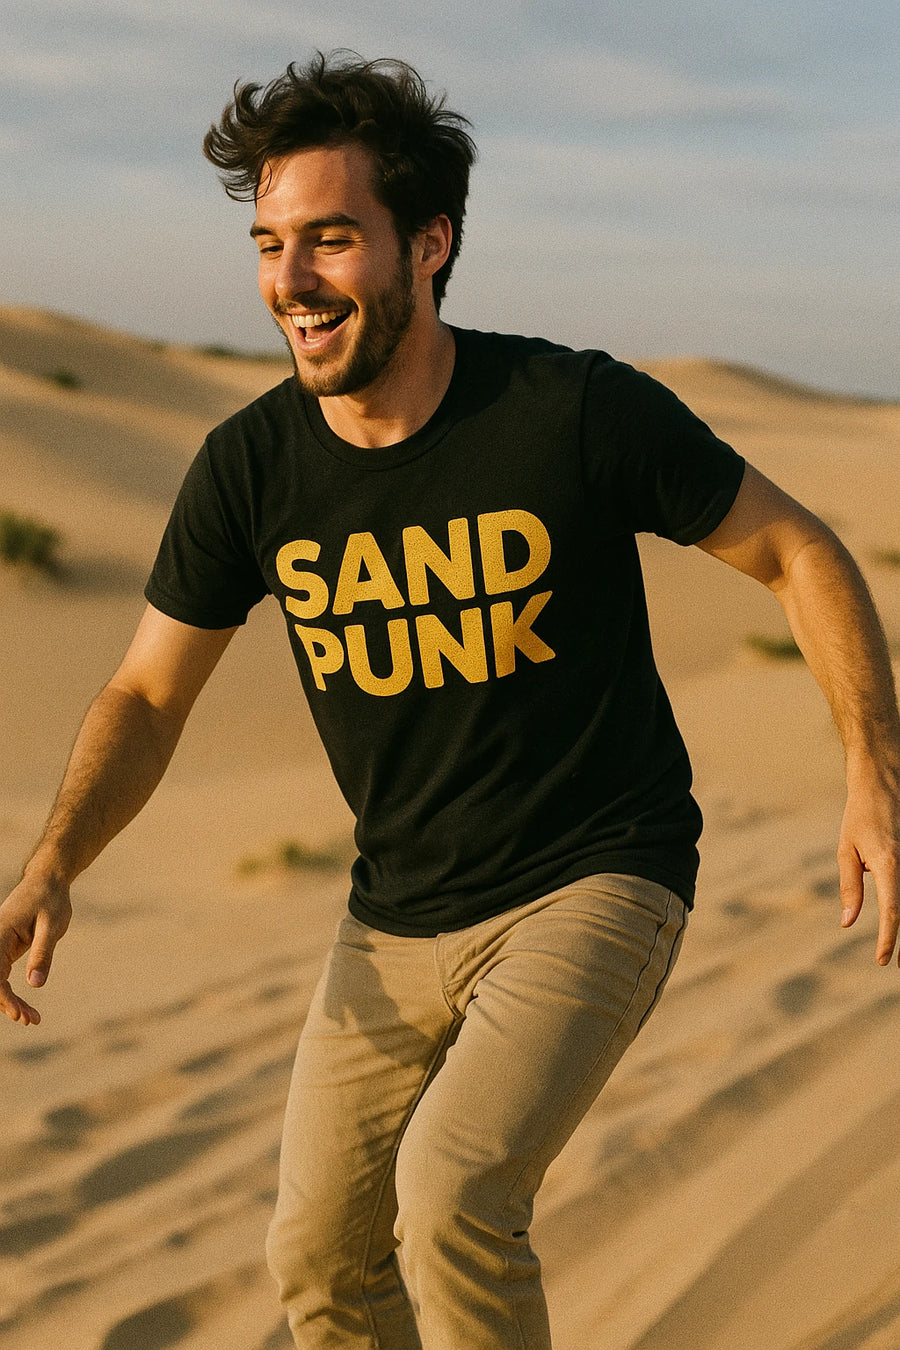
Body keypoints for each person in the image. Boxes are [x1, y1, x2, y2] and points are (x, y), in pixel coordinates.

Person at [1, 51, 898, 1350]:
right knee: (316, 1254)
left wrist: (871, 762)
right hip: (398, 908)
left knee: (457, 1191)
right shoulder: (248, 469)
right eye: (268, 244)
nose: (290, 283)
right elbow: (146, 692)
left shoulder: (567, 412)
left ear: (431, 243)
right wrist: (55, 861)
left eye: (328, 240)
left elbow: (796, 549)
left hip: (598, 872)